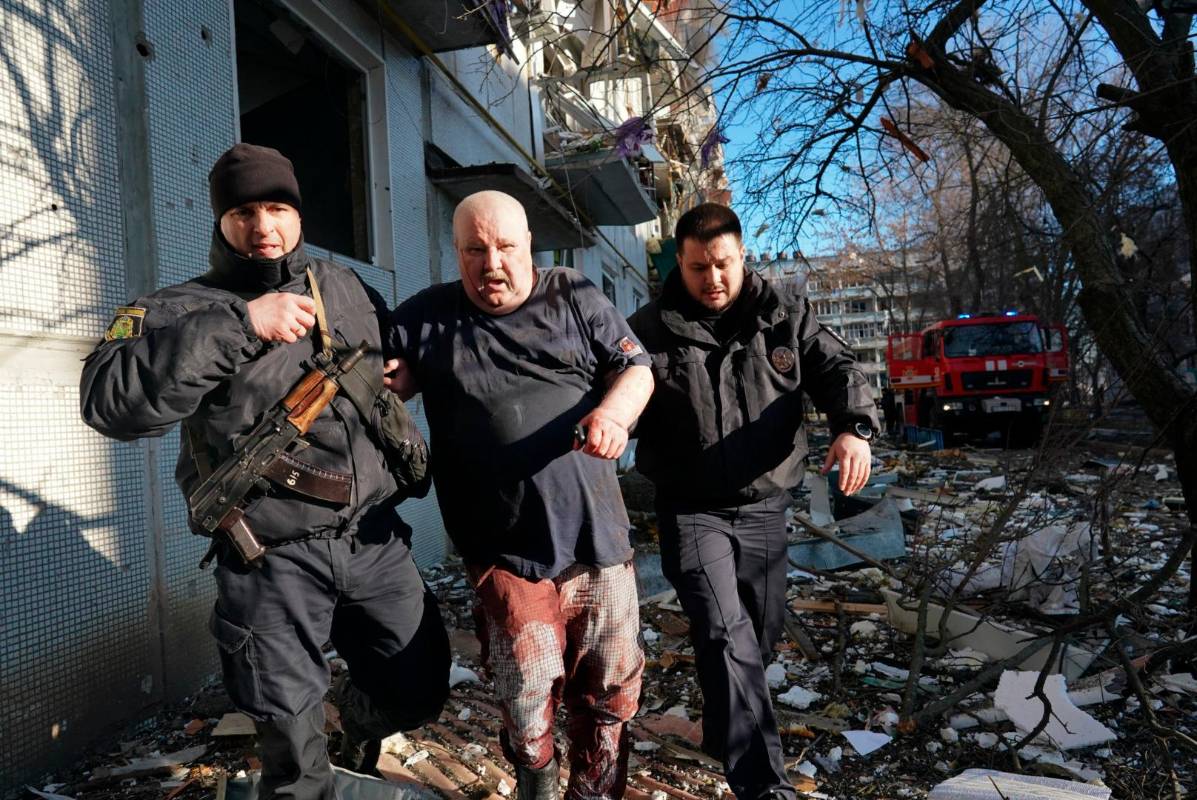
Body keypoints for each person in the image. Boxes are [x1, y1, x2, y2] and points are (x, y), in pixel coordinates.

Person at [80, 143, 450, 800]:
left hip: (372, 541)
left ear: (298, 212)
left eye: (277, 207)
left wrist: (406, 372)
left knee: (417, 686)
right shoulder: (180, 308)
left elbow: (390, 352)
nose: (263, 226)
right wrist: (240, 326)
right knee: (290, 749)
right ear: (219, 221)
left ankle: (355, 730)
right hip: (268, 559)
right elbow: (108, 402)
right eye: (243, 211)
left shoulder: (344, 287)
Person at [384, 190, 653, 799]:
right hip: (504, 550)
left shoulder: (574, 295)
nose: (492, 264)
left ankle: (595, 788)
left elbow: (637, 369)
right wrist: (383, 380)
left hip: (597, 539)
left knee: (611, 687)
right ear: (455, 252)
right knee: (528, 692)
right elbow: (363, 363)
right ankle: (536, 777)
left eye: (505, 246)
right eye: (474, 250)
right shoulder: (430, 316)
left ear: (529, 243)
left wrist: (613, 414)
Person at [627, 203, 879, 800]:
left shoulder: (784, 316)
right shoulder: (648, 329)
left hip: (767, 506)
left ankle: (722, 730)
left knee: (756, 639)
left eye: (721, 264)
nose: (711, 279)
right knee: (723, 630)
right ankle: (764, 784)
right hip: (691, 510)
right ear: (679, 265)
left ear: (741, 256)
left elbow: (840, 369)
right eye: (696, 268)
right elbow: (607, 390)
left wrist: (854, 428)